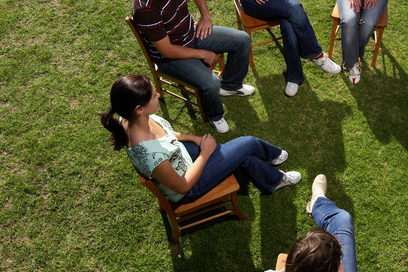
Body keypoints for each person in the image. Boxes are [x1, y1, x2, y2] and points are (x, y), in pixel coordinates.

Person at [100, 75, 301, 203]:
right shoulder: (150, 155)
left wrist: (194, 138)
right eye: (154, 95)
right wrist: (204, 154)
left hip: (180, 157)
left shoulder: (130, 118)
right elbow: (183, 186)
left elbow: (168, 136)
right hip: (189, 186)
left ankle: (272, 180)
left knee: (240, 154)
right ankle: (273, 158)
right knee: (248, 143)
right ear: (139, 109)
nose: (159, 95)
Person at [133, 0, 254, 134]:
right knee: (211, 83)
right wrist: (203, 54)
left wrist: (206, 16)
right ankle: (215, 115)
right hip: (171, 57)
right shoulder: (146, 8)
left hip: (192, 34)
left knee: (242, 40)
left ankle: (230, 86)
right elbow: (167, 50)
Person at [251, 175, 362, 272]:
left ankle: (317, 202)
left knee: (342, 219)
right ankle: (317, 202)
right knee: (342, 219)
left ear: (288, 268)